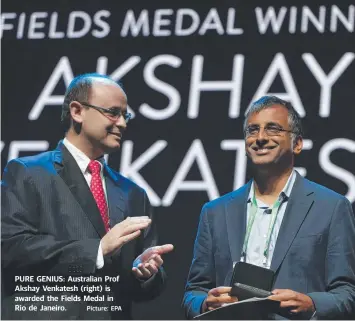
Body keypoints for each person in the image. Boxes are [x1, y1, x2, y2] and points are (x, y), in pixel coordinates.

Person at [1, 73, 174, 320]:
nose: (123, 123)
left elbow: (143, 287)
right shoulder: (29, 173)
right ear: (77, 111)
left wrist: (145, 274)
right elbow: (11, 250)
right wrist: (96, 251)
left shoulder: (133, 193)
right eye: (113, 112)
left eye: (126, 115)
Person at [183, 95, 355, 319]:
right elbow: (192, 293)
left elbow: (347, 293)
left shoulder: (332, 207)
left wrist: (312, 303)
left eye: (273, 129)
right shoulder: (214, 212)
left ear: (298, 143)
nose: (260, 138)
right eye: (252, 130)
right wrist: (205, 303)